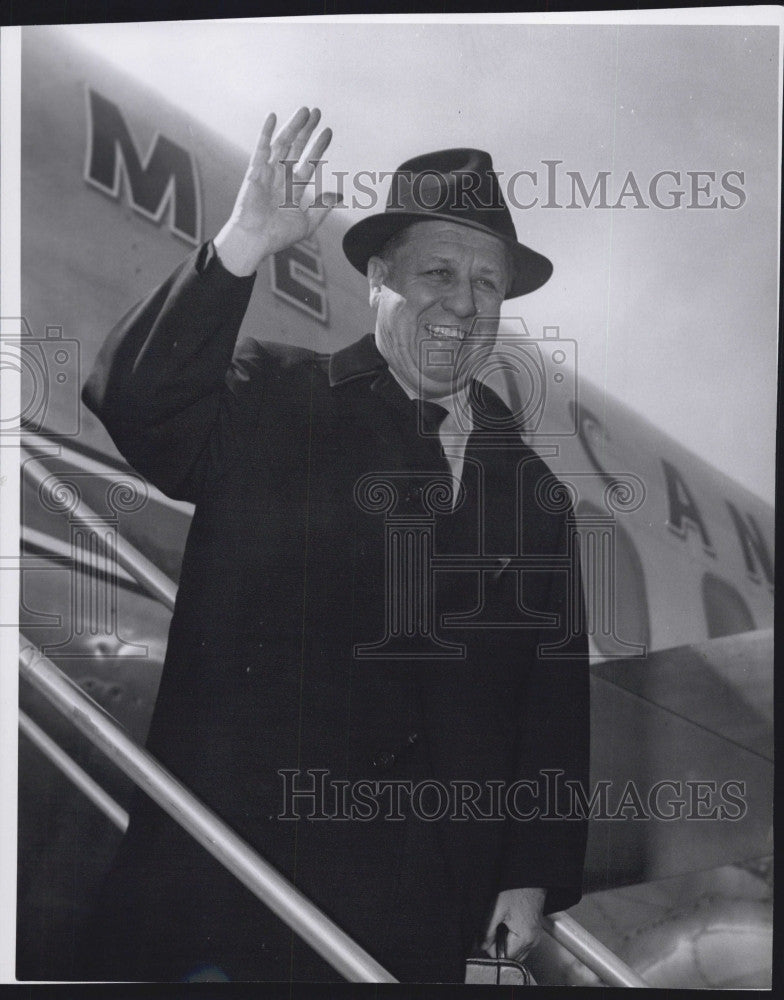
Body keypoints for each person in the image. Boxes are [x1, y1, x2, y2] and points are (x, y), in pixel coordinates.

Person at [77, 107, 590, 983]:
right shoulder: (273, 395)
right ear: (377, 279)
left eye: (488, 285)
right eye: (437, 272)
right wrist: (242, 242)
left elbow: (550, 703)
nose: (464, 303)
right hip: (231, 886)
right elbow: (131, 396)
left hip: (415, 917)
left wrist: (530, 875)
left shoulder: (535, 496)